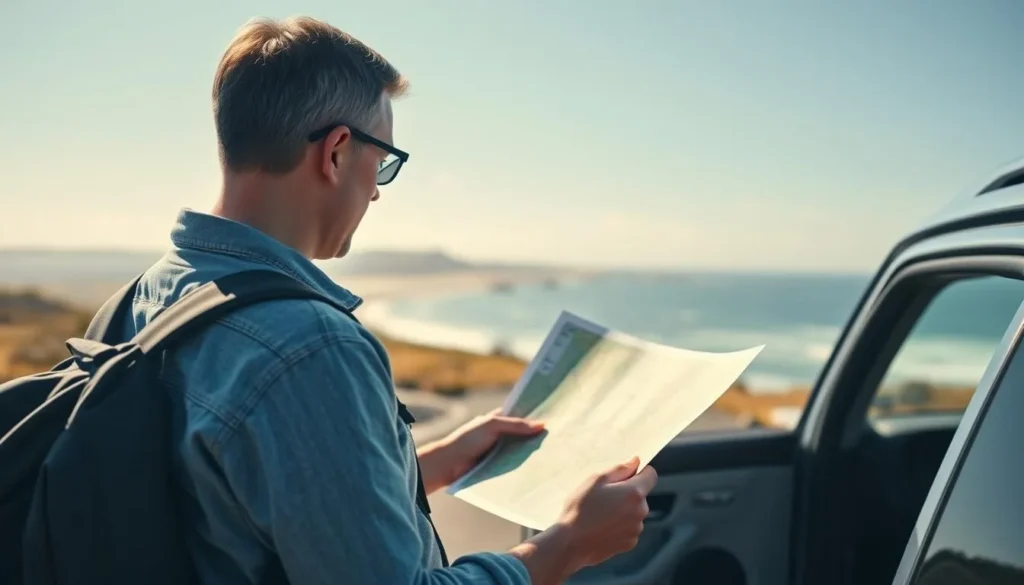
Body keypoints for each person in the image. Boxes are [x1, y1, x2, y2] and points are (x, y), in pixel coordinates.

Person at [124, 16, 657, 585]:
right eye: (382, 163)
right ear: (336, 153)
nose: (377, 189)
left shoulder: (152, 293)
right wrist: (569, 545)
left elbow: (239, 500)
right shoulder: (310, 348)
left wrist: (432, 462)